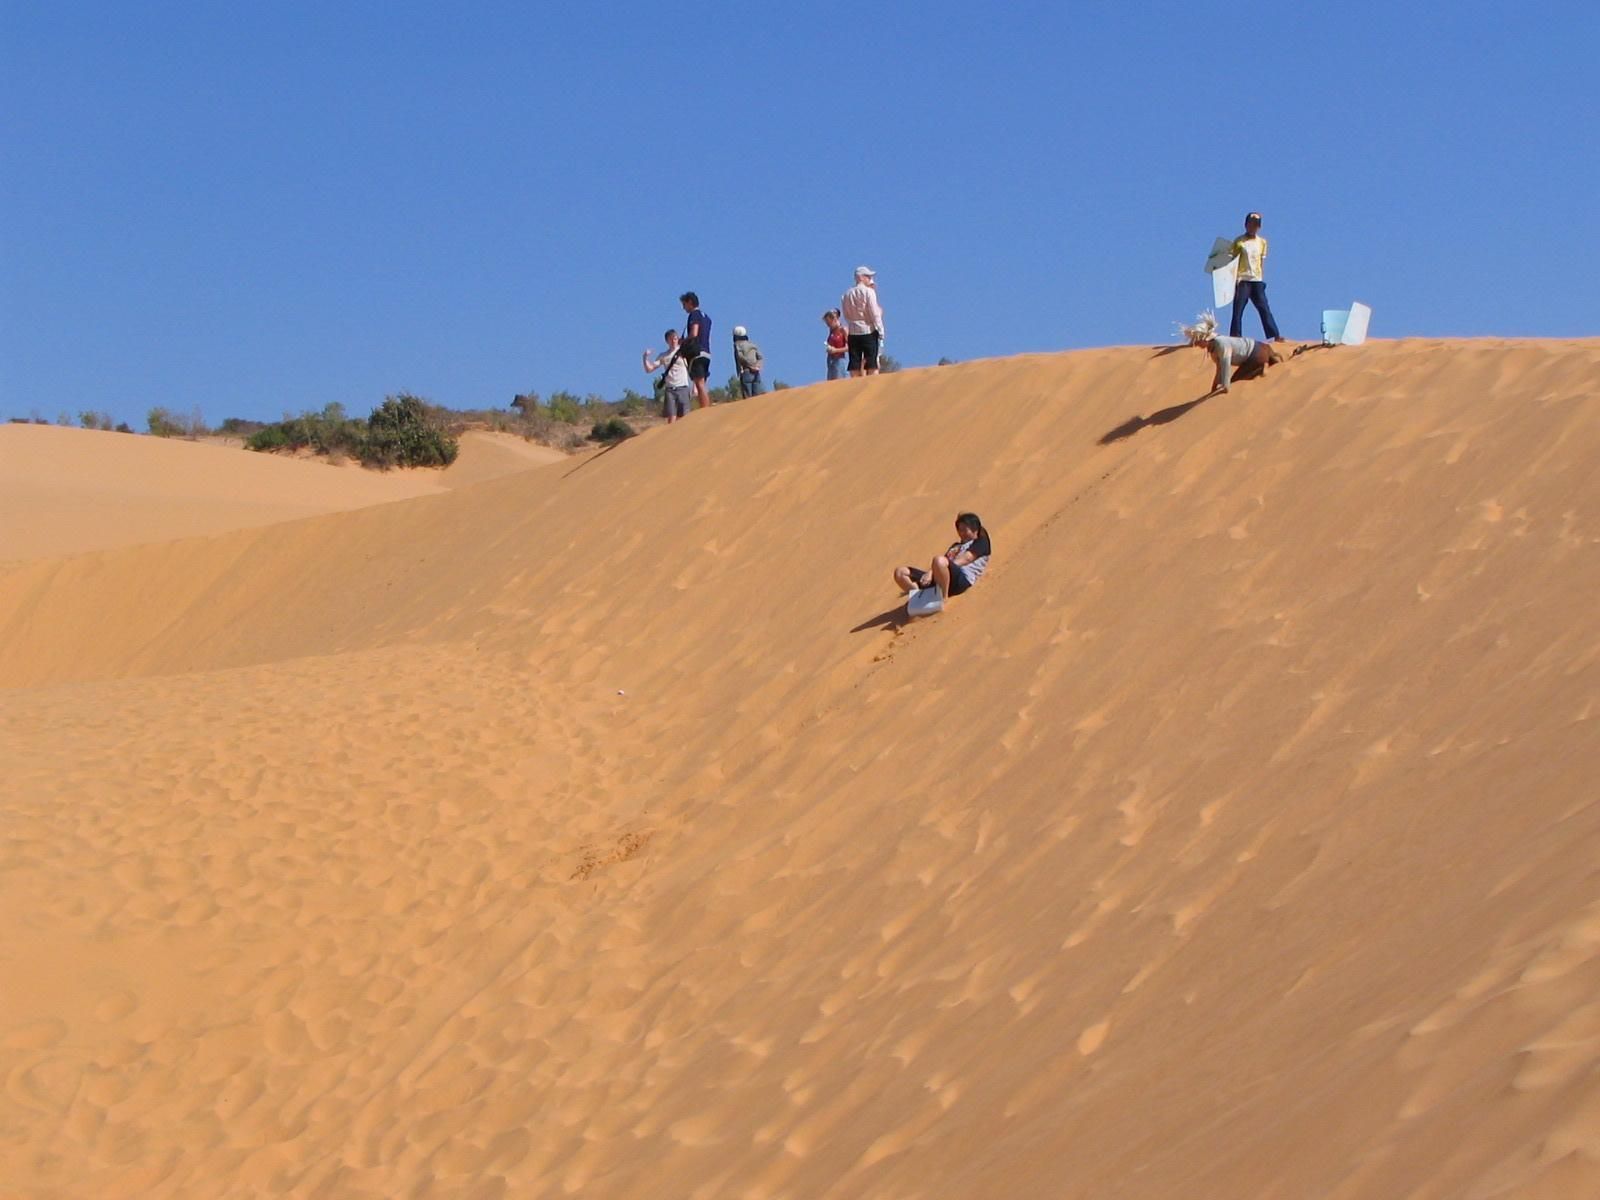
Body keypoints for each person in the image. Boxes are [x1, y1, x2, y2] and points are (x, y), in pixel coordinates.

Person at [894, 512, 992, 602]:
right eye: (959, 530)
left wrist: (932, 572)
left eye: (964, 530)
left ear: (975, 530)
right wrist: (930, 573)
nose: (961, 533)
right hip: (943, 580)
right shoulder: (955, 546)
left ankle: (943, 598)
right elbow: (942, 565)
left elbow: (966, 559)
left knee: (939, 560)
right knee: (900, 572)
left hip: (961, 581)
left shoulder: (981, 542)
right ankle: (920, 598)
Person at [1182, 310, 1281, 393]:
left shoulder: (1221, 344)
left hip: (1255, 353)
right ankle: (1268, 361)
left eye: (1198, 341)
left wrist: (1226, 386)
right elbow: (1220, 368)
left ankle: (1262, 366)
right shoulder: (1213, 349)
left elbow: (1225, 365)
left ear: (1205, 339)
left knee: (1237, 380)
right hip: (1261, 348)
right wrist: (1214, 387)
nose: (1197, 345)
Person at [1228, 212, 1284, 341]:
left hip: (1256, 280)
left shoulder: (1262, 242)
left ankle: (1275, 334)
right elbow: (1231, 260)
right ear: (1246, 225)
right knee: (1238, 308)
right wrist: (1233, 279)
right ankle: (1235, 335)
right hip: (1242, 279)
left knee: (1264, 307)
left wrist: (1262, 278)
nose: (1253, 227)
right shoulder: (1239, 241)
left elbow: (1262, 261)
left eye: (1256, 225)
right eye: (1251, 224)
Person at [841, 266, 885, 377]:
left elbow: (846, 314)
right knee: (871, 363)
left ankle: (855, 386)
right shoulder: (869, 292)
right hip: (868, 330)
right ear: (860, 277)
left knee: (854, 362)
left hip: (853, 331)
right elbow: (874, 312)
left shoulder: (846, 294)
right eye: (867, 276)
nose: (869, 279)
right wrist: (880, 329)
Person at [643, 329, 692, 423]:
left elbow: (691, 367)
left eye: (675, 338)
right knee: (671, 417)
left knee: (685, 417)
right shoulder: (663, 355)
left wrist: (695, 386)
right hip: (670, 389)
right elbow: (649, 369)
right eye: (671, 339)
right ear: (667, 341)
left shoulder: (684, 351)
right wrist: (645, 357)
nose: (673, 341)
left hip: (683, 387)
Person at [679, 292, 713, 409]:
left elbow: (694, 333)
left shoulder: (694, 315)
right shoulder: (706, 317)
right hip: (706, 352)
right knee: (702, 382)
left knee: (699, 383)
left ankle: (705, 409)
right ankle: (706, 406)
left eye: (684, 304)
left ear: (689, 302)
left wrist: (683, 342)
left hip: (696, 353)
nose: (683, 308)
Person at [732, 326, 765, 397]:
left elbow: (740, 357)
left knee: (748, 397)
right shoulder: (752, 345)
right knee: (757, 397)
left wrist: (749, 366)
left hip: (746, 372)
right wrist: (757, 366)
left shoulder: (737, 345)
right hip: (756, 373)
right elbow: (760, 357)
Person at [822, 309, 848, 380]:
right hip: (830, 360)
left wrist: (836, 350)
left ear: (835, 319)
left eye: (829, 323)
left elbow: (849, 347)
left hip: (839, 360)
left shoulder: (843, 330)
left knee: (839, 382)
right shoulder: (831, 332)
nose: (828, 325)